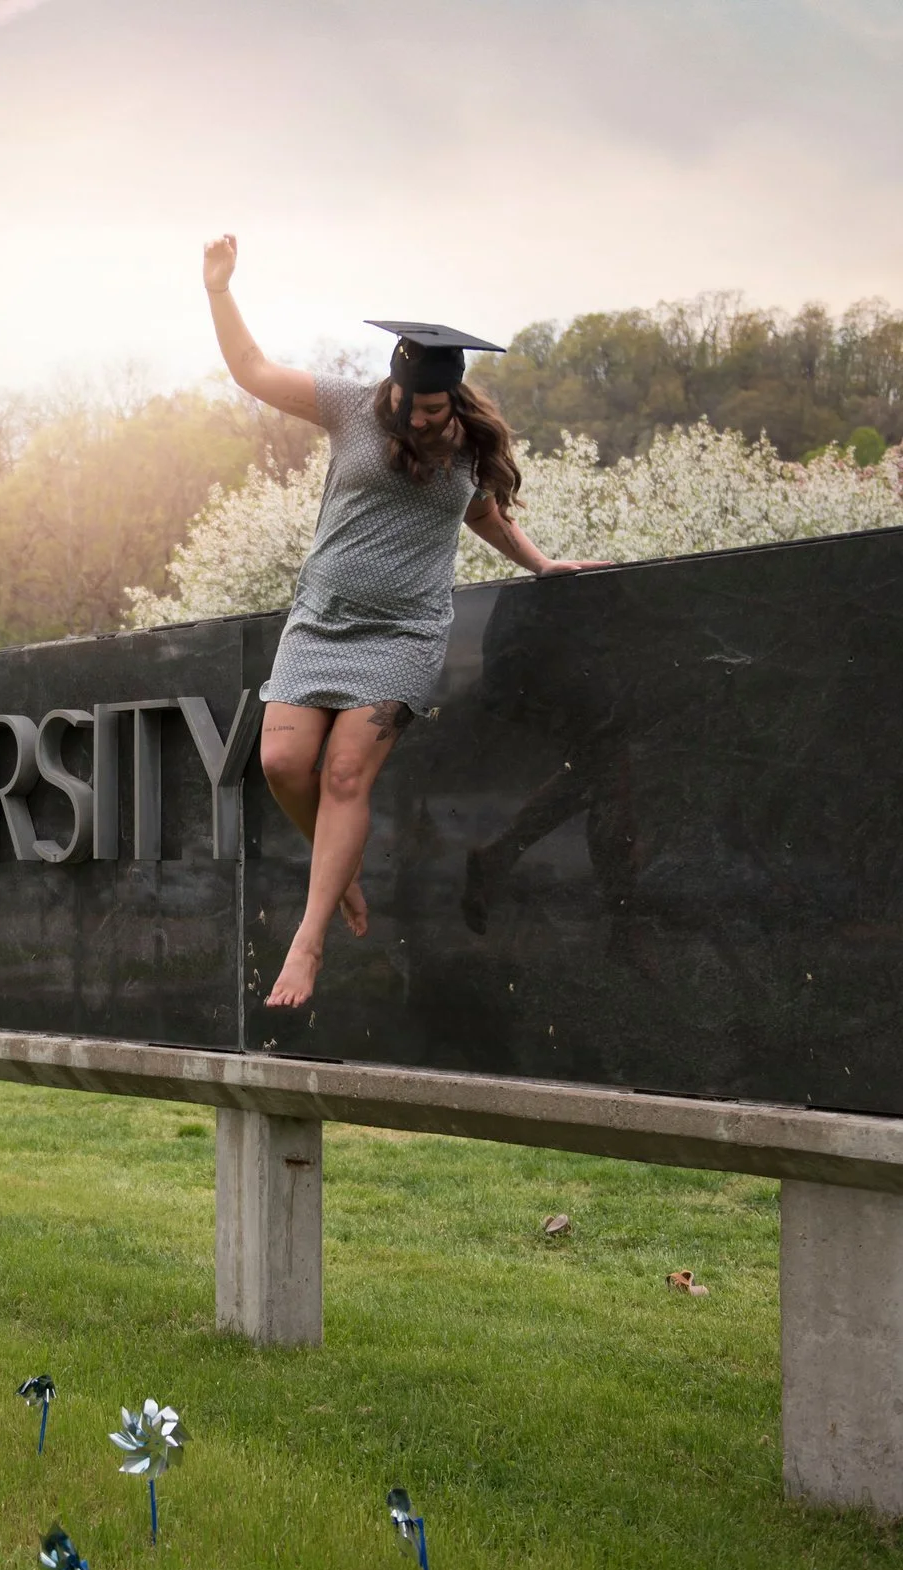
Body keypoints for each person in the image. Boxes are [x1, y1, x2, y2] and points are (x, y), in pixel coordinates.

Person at [202, 232, 599, 1008]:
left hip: (404, 636)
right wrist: (219, 288)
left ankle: (308, 942)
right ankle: (339, 871)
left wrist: (543, 564)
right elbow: (251, 371)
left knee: (347, 775)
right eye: (414, 404)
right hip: (319, 622)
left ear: (454, 396)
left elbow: (484, 514)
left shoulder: (467, 445)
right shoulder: (349, 408)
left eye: (436, 405)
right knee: (283, 766)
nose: (423, 418)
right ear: (392, 386)